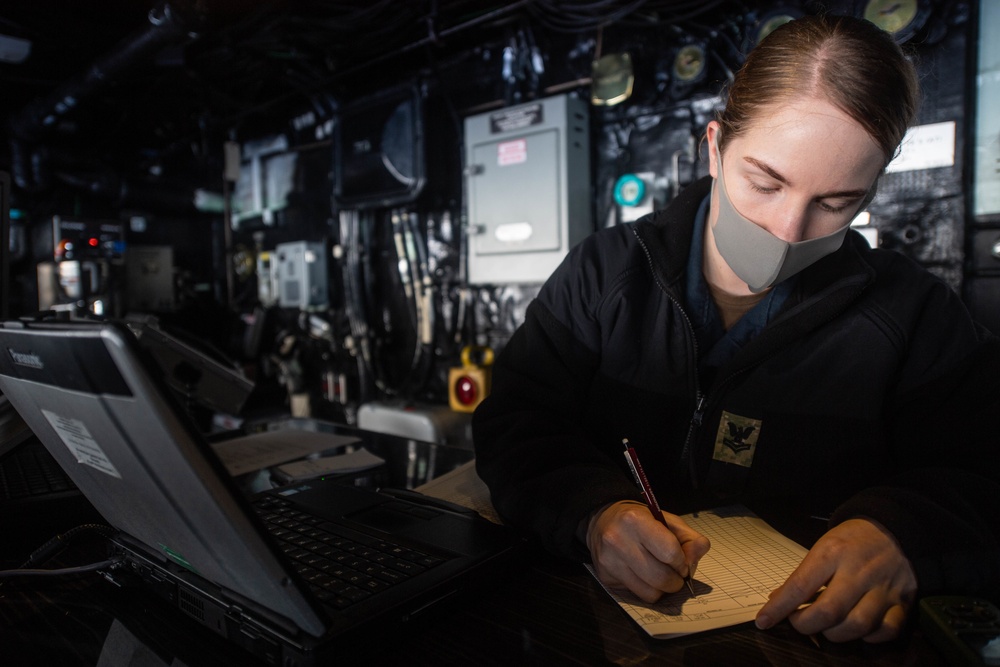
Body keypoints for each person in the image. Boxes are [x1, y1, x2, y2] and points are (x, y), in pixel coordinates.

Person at [472, 13, 1000, 644]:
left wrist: (904, 532)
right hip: (593, 633)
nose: (788, 230)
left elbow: (984, 473)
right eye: (765, 182)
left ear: (870, 192)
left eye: (836, 203)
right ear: (716, 146)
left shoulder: (914, 317)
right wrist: (591, 512)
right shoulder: (604, 273)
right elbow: (516, 424)